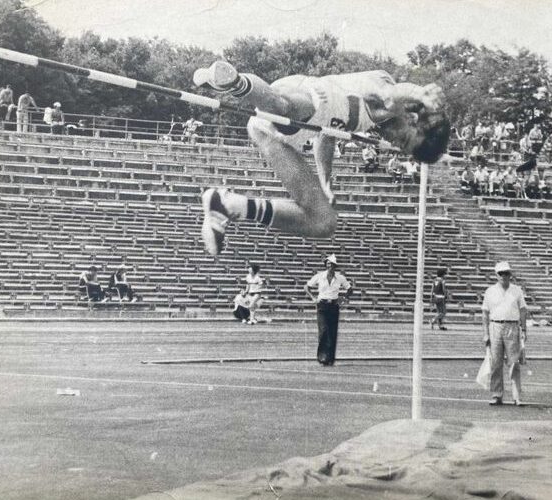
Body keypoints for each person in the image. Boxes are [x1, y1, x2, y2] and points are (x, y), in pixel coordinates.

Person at [193, 60, 449, 255]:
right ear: (414, 119)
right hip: (309, 97)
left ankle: (228, 205)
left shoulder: (372, 120)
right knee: (285, 108)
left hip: (282, 131)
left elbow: (327, 135)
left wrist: (325, 181)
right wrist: (419, 93)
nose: (394, 143)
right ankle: (232, 81)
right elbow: (391, 96)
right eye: (404, 140)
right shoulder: (386, 91)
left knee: (323, 222)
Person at [481, 261, 527, 406]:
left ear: (510, 274)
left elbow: (523, 310)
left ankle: (516, 396)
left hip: (512, 327)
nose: (504, 276)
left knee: (514, 363)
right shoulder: (490, 291)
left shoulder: (517, 290)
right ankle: (496, 394)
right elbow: (485, 313)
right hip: (495, 326)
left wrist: (524, 329)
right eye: (501, 273)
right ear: (496, 275)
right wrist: (486, 333)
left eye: (506, 273)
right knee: (495, 362)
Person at [304, 254, 353, 366]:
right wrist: (313, 298)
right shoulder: (320, 276)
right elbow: (306, 287)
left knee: (332, 332)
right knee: (323, 331)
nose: (329, 266)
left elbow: (350, 289)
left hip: (334, 305)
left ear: (335, 266)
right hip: (322, 305)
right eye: (328, 264)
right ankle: (322, 357)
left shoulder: (340, 277)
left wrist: (344, 299)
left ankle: (330, 358)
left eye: (331, 264)